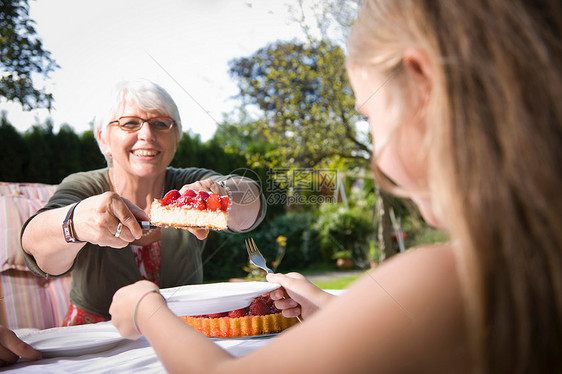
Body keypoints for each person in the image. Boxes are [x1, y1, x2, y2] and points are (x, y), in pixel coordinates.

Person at [109, 0, 562, 373]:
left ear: (424, 85)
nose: (378, 160)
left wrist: (147, 309)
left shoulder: (450, 278)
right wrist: (332, 309)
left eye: (371, 119)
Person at [20, 79, 266, 326]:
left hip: (183, 330)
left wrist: (217, 193)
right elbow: (37, 250)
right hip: (97, 336)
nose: (147, 135)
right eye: (130, 124)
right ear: (103, 139)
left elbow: (252, 202)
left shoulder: (190, 181)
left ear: (176, 137)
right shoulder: (84, 186)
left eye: (161, 124)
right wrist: (75, 222)